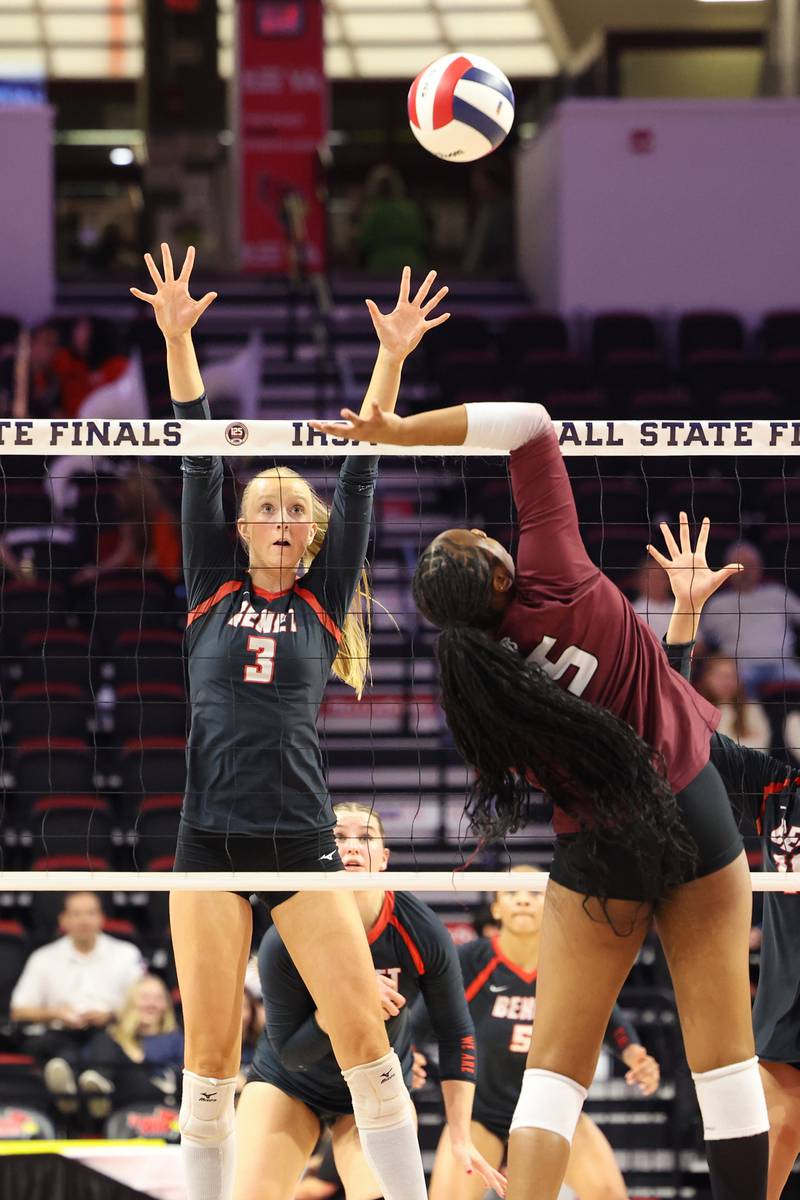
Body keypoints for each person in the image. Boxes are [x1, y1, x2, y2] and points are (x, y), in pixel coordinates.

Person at [309, 397, 768, 1200]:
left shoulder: (482, 688)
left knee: (553, 1079)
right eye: (484, 541)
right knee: (727, 1069)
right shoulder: (556, 572)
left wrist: (681, 627)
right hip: (694, 814)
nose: (492, 534)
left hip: (597, 850)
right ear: (497, 572)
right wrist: (396, 431)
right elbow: (527, 420)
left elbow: (614, 726)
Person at [131, 243, 459, 1200]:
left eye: (292, 511)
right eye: (264, 506)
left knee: (366, 1044)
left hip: (301, 837)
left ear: (311, 536)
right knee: (207, 1053)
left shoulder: (322, 596)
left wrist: (391, 357)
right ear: (239, 527)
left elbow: (358, 463)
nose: (279, 517)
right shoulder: (206, 587)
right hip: (208, 837)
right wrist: (178, 340)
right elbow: (197, 445)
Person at [236, 801, 502, 1200]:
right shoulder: (284, 938)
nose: (353, 847)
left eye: (366, 838)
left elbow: (457, 1033)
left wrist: (460, 1136)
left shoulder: (421, 931)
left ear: (384, 857)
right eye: (338, 838)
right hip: (290, 1080)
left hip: (376, 1085)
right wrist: (344, 1005)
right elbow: (292, 1054)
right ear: (320, 854)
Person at [648, 512, 800, 1200]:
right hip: (791, 1001)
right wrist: (685, 613)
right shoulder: (778, 788)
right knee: (781, 1123)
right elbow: (674, 720)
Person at [429, 867, 660, 1200]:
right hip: (482, 1116)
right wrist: (416, 1057)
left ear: (551, 903)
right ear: (496, 908)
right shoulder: (470, 960)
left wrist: (635, 1055)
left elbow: (610, 1021)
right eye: (512, 893)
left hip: (556, 1112)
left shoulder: (570, 962)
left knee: (610, 1193)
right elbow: (423, 1022)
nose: (523, 899)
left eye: (534, 893)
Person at [10, 892, 144, 1104]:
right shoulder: (43, 957)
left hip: (110, 1031)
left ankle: (94, 1088)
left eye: (90, 913)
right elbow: (19, 1010)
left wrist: (110, 1015)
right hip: (57, 1032)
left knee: (106, 1043)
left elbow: (144, 1004)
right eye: (76, 913)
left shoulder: (126, 954)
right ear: (63, 920)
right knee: (61, 1052)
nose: (84, 920)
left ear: (102, 917)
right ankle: (70, 1092)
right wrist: (56, 1013)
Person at [700, 540, 800, 695]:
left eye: (750, 565)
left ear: (760, 567)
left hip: (782, 664)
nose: (745, 571)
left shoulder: (778, 593)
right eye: (739, 566)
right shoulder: (717, 604)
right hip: (740, 670)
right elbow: (700, 641)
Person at [76, 973, 184, 1118]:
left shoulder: (173, 1037)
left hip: (156, 1092)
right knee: (103, 1041)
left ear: (166, 1004)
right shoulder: (112, 1036)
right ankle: (95, 1091)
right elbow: (88, 1057)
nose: (151, 1004)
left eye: (158, 998)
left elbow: (146, 1059)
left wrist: (129, 1048)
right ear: (131, 1002)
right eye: (145, 998)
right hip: (118, 1093)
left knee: (131, 1072)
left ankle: (100, 1094)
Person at [694, 654, 771, 751]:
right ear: (706, 679)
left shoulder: (751, 708)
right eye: (720, 676)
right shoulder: (695, 710)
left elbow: (760, 748)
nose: (726, 681)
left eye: (732, 676)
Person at [630, 552, 678, 642]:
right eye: (650, 577)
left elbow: (700, 645)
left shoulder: (681, 608)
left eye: (661, 577)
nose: (656, 582)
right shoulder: (632, 613)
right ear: (639, 581)